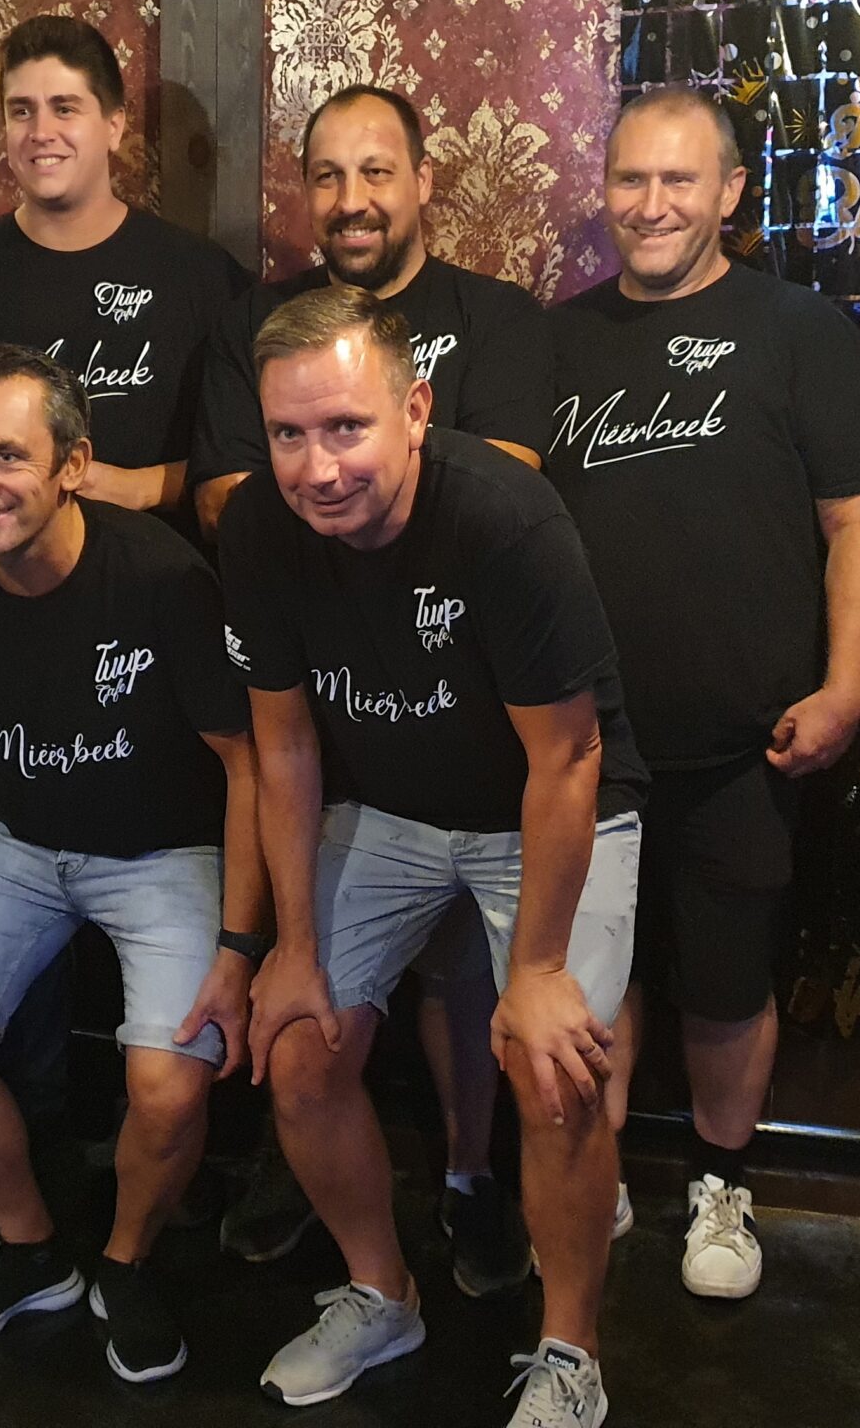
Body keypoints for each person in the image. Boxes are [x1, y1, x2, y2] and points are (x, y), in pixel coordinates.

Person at [220, 286, 647, 1428]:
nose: (317, 468)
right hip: (390, 809)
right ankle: (381, 1295)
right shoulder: (258, 524)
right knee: (299, 1047)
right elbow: (283, 743)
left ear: (414, 410)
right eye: (289, 434)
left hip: (542, 805)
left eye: (345, 427)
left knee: (554, 1071)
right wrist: (291, 947)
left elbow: (568, 758)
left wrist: (538, 972)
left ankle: (571, 1350)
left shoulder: (504, 517)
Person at [194, 83, 556, 1294]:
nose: (350, 199)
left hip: (477, 718)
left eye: (376, 171)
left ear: (422, 182)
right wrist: (351, 490)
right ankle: (304, 1176)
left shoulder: (496, 319)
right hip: (323, 712)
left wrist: (339, 507)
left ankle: (471, 1176)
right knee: (309, 1009)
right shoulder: (255, 322)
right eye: (327, 176)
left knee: (470, 982)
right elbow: (227, 500)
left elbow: (495, 485)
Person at [545, 87, 860, 1304]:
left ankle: (721, 1186)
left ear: (731, 192)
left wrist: (847, 685)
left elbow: (856, 524)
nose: (650, 206)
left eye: (678, 181)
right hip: (585, 748)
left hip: (750, 743)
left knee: (727, 985)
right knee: (595, 984)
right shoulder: (556, 339)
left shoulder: (800, 331)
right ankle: (593, 1175)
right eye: (629, 180)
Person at [0, 343, 266, 1383]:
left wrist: (240, 946)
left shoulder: (163, 578)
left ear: (72, 464)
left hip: (163, 851)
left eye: (6, 455)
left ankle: (125, 1263)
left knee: (169, 1086)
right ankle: (29, 1251)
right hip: (16, 843)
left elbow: (248, 766)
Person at [0, 13, 250, 546]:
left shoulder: (204, 277)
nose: (40, 132)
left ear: (114, 126)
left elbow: (247, 462)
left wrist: (137, 486)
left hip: (165, 583)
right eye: (21, 111)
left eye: (65, 108)